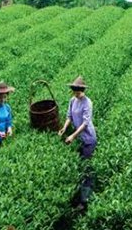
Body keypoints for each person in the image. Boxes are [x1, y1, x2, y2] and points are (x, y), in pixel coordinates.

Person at [59, 76, 97, 211]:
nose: (77, 94)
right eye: (75, 91)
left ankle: (84, 201)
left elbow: (85, 123)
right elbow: (69, 116)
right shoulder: (72, 101)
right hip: (78, 139)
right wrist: (64, 127)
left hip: (88, 139)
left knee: (87, 170)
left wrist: (73, 136)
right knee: (79, 168)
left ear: (83, 90)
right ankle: (78, 196)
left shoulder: (88, 102)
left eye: (79, 92)